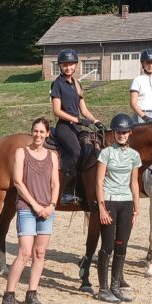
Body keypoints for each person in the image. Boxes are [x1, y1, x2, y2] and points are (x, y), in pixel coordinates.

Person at [2, 117, 61, 304]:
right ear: (32, 132)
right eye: (35, 131)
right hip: (27, 209)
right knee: (24, 252)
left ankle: (32, 293)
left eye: (42, 132)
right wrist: (35, 205)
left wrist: (52, 204)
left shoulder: (52, 156)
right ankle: (9, 294)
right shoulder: (22, 153)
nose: (38, 135)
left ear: (47, 134)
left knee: (40, 253)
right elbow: (18, 182)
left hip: (47, 210)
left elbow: (55, 183)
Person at [93, 113, 141, 304]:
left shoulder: (134, 156)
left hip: (126, 203)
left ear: (130, 133)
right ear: (114, 133)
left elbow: (134, 182)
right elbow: (98, 183)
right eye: (119, 132)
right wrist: (102, 208)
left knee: (122, 246)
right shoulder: (106, 153)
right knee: (108, 245)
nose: (122, 135)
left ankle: (115, 286)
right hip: (110, 201)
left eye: (125, 132)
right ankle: (103, 289)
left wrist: (136, 208)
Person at [50, 49, 101, 205]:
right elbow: (57, 111)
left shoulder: (77, 84)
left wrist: (95, 121)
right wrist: (77, 120)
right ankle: (65, 191)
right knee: (75, 152)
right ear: (60, 66)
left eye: (71, 64)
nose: (68, 68)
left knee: (89, 150)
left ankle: (82, 187)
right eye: (65, 65)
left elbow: (84, 109)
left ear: (75, 65)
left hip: (77, 127)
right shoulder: (57, 84)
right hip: (64, 126)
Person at [128, 49, 152, 123]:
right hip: (139, 115)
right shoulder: (137, 80)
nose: (150, 65)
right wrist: (145, 117)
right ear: (143, 63)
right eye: (147, 62)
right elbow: (133, 103)